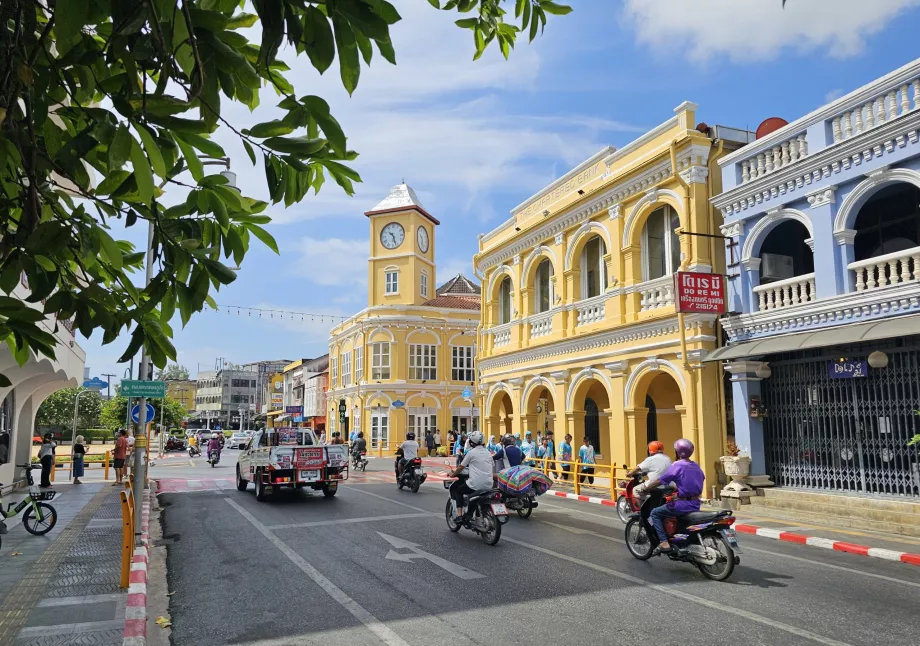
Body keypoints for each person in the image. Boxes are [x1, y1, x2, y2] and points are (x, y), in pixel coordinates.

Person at [644, 439, 705, 553]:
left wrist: (647, 487)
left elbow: (661, 480)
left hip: (682, 505)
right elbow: (694, 481)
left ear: (678, 452)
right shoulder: (696, 466)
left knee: (655, 513)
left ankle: (664, 542)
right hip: (695, 503)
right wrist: (679, 492)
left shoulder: (677, 465)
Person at [445, 431, 493, 522]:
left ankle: (459, 516)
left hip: (475, 484)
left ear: (471, 442)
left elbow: (460, 467)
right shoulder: (488, 453)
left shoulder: (471, 453)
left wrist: (453, 474)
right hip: (489, 485)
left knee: (458, 490)